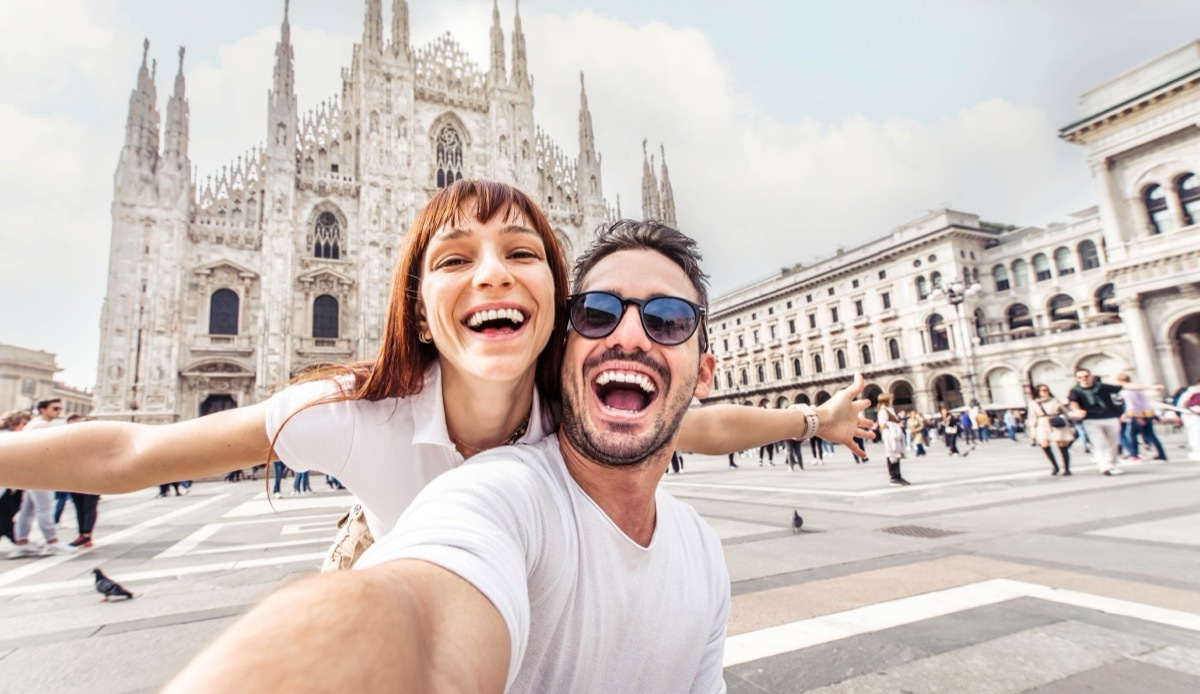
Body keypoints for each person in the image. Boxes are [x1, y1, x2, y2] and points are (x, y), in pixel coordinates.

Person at [0, 179, 872, 565]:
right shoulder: (356, 412)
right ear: (418, 311)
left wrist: (813, 422)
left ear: (559, 306)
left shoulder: (566, 403)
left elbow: (697, 424)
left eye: (522, 252)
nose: (492, 272)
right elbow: (129, 456)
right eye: (454, 259)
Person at [165, 220, 874, 692]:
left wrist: (814, 418)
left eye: (666, 320)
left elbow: (703, 428)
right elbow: (408, 613)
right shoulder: (490, 488)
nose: (630, 334)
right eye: (598, 312)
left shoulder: (696, 552)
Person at [9, 399, 72, 558]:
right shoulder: (41, 426)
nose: (58, 411)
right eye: (55, 408)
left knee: (27, 509)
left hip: (29, 473)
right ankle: (52, 542)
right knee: (44, 508)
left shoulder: (33, 424)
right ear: (43, 409)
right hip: (39, 474)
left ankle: (22, 542)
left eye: (59, 408)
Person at [1067, 368, 1138, 476]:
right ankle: (1104, 466)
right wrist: (1077, 411)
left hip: (1110, 417)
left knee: (1113, 443)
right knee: (1099, 443)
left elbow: (1124, 387)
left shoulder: (1101, 387)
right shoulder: (1075, 390)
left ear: (1090, 376)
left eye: (1086, 376)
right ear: (1077, 378)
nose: (1084, 379)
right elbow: (1073, 403)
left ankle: (1111, 464)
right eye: (1080, 377)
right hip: (1091, 420)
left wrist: (1151, 387)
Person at [1115, 373, 1167, 462]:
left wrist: (1135, 416)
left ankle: (1134, 454)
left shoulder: (1126, 391)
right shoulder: (1139, 389)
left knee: (1131, 435)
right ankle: (1161, 454)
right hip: (1147, 412)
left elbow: (1132, 405)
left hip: (1136, 414)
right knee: (1150, 435)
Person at [1028, 384, 1075, 476]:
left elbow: (1065, 412)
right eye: (1043, 390)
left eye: (1047, 390)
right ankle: (1055, 466)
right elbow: (1032, 417)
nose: (1046, 392)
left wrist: (1071, 420)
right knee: (1044, 444)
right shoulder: (1034, 403)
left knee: (1062, 444)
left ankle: (1066, 468)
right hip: (1042, 423)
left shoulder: (1055, 400)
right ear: (1038, 392)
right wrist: (1032, 430)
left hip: (1056, 422)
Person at [1, 410, 32, 546]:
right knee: (6, 514)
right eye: (24, 424)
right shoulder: (12, 438)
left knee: (6, 514)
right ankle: (16, 539)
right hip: (7, 484)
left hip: (8, 484)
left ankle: (15, 537)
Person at [876, 393, 909, 485]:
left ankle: (898, 476)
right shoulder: (883, 411)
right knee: (891, 454)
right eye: (890, 399)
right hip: (889, 435)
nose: (892, 400)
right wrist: (895, 425)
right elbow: (882, 424)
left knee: (897, 454)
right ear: (886, 400)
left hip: (894, 434)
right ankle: (893, 477)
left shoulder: (889, 410)